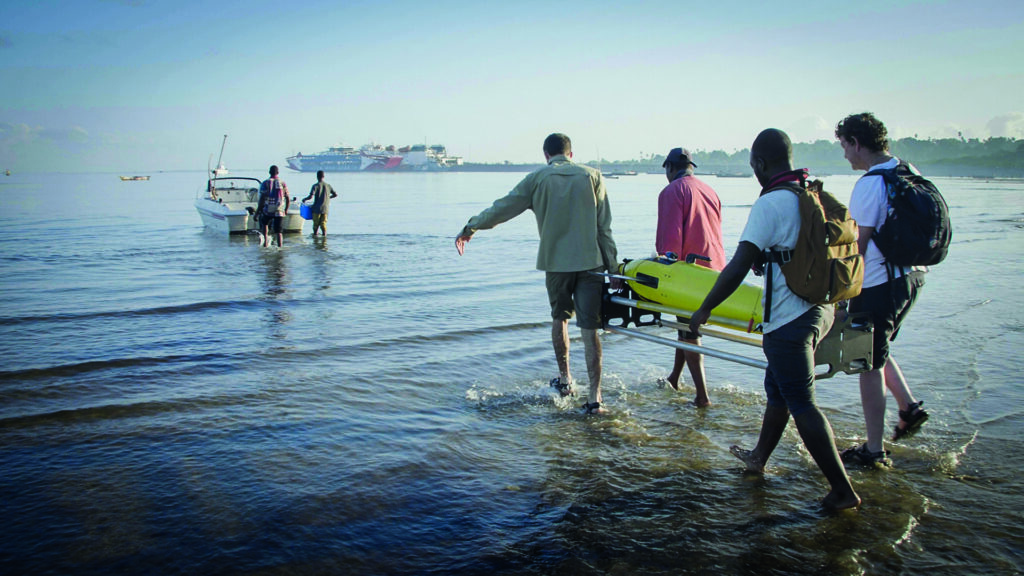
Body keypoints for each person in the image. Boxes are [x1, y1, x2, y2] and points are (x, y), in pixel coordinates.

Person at [689, 128, 860, 510]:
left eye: (754, 166)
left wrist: (705, 309)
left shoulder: (770, 203)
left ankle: (842, 490)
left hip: (789, 320)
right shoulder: (807, 193)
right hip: (821, 309)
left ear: (761, 163)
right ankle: (758, 458)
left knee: (802, 403)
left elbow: (736, 266)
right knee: (778, 390)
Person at [455, 133, 618, 414]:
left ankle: (565, 381)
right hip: (591, 264)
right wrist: (613, 267)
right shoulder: (593, 176)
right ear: (571, 154)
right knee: (590, 330)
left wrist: (471, 227)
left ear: (546, 155)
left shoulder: (537, 179)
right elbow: (604, 228)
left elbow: (502, 208)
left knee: (560, 319)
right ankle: (595, 397)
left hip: (556, 264)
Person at [835, 112, 929, 466]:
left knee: (866, 362)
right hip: (912, 278)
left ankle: (873, 450)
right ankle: (908, 407)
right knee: (879, 347)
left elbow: (857, 249)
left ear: (856, 142)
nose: (845, 154)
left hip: (879, 283)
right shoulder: (907, 170)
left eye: (845, 146)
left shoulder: (869, 184)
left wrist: (841, 298)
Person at [655, 147, 726, 407]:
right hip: (715, 271)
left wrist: (661, 267)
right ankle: (675, 378)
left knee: (690, 330)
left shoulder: (672, 191)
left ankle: (702, 396)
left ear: (670, 168)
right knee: (684, 326)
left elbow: (669, 245)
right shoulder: (710, 190)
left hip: (689, 273)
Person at [257, 165, 290, 247]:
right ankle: (280, 246)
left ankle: (265, 243)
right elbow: (288, 198)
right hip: (279, 210)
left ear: (269, 172)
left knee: (265, 224)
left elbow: (262, 199)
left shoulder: (265, 183)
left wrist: (257, 212)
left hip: (268, 209)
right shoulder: (282, 183)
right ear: (278, 172)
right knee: (279, 231)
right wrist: (286, 210)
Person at [302, 170, 338, 237]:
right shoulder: (328, 186)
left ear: (317, 177)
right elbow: (335, 195)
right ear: (323, 176)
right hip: (325, 209)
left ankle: (315, 237)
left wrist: (304, 199)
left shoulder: (315, 186)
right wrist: (327, 198)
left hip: (316, 209)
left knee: (316, 225)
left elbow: (310, 196)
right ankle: (324, 236)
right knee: (323, 224)